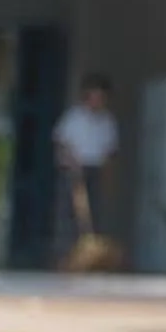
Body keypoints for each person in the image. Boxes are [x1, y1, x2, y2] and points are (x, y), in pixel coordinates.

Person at [53, 74, 119, 265]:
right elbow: (61, 142)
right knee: (70, 213)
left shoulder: (108, 121)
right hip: (73, 168)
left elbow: (110, 151)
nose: (98, 101)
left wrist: (107, 173)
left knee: (92, 214)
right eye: (94, 96)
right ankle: (65, 256)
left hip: (95, 170)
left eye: (102, 97)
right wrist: (72, 164)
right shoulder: (74, 118)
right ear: (86, 96)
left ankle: (89, 256)